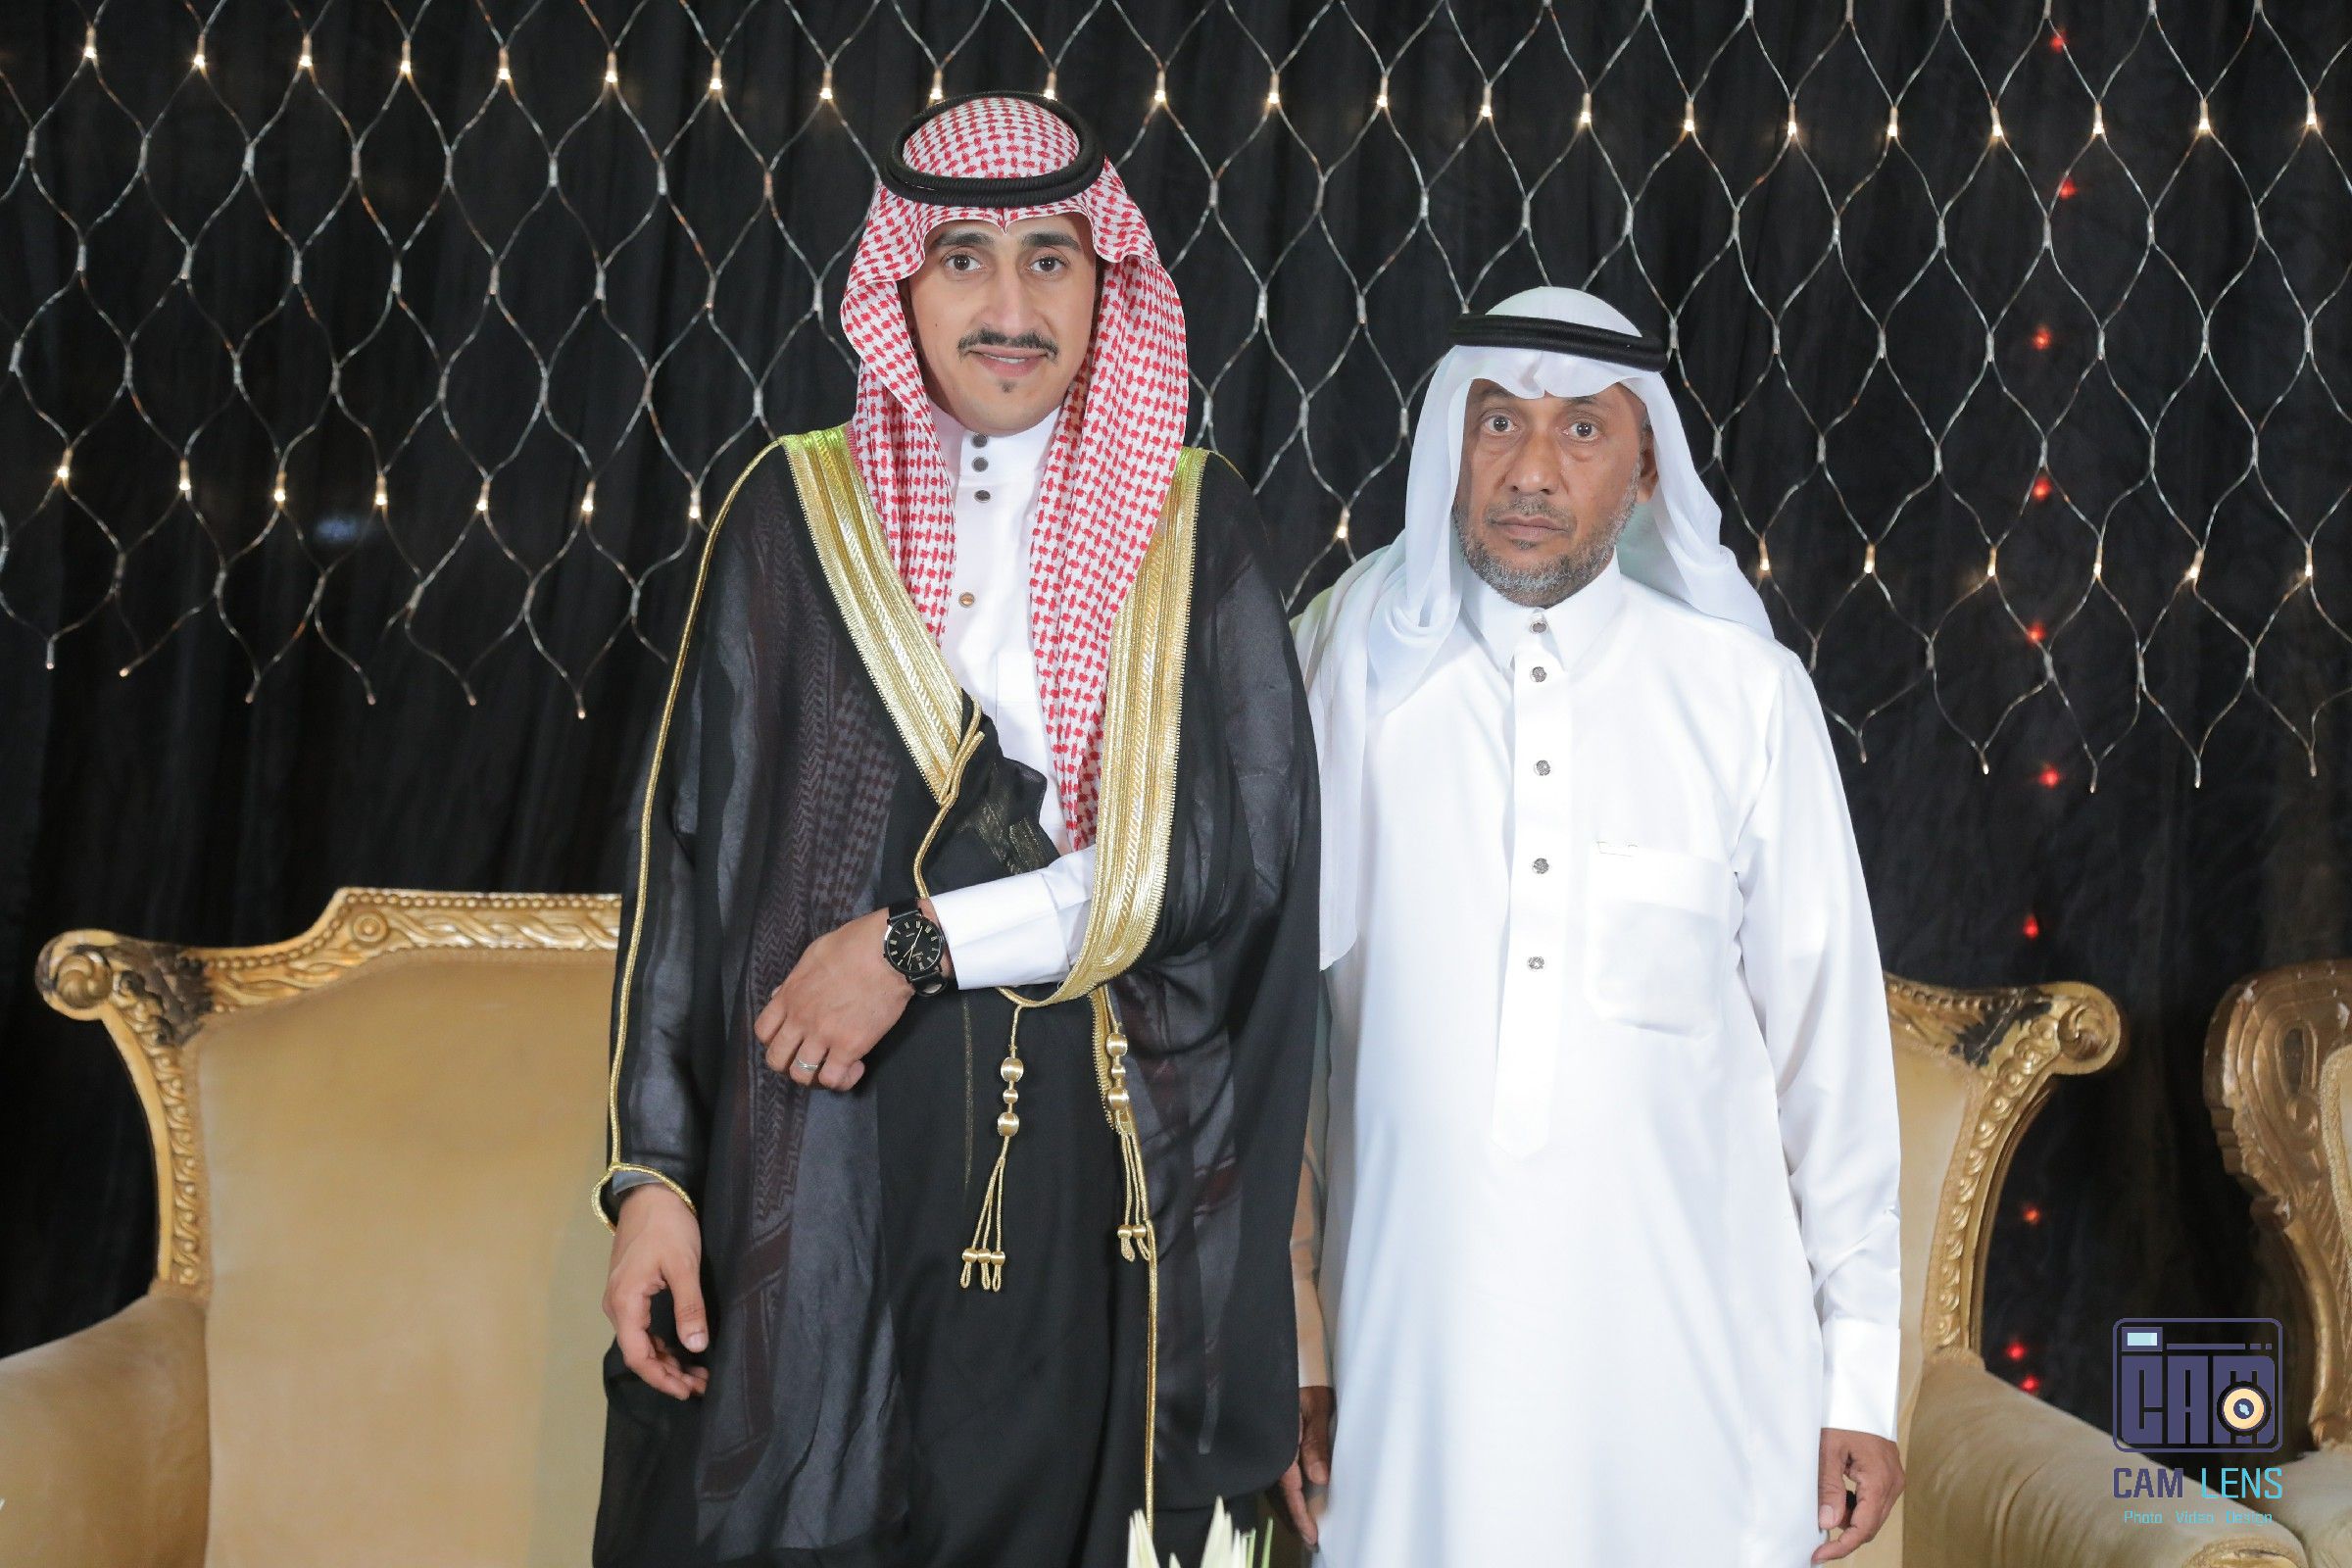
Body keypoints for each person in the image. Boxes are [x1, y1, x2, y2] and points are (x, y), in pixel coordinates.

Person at [590, 91, 1319, 1568]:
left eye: (1051, 259)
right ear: (901, 284)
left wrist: (915, 949)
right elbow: (689, 865)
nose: (1010, 308)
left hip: (1075, 1160)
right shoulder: (793, 513)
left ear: (1106, 283)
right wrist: (651, 1179)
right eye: (965, 259)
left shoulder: (1192, 528)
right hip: (809, 1148)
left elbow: (1217, 861)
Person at [1283, 285, 1904, 1566]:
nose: (1531, 470)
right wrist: (1292, 1341)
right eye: (1498, 421)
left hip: (1697, 1396)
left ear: (1646, 466)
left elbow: (1830, 1067)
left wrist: (1859, 1378)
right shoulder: (1345, 673)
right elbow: (1273, 1034)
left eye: (1582, 429)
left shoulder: (1743, 696)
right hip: (1408, 1384)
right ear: (1450, 444)